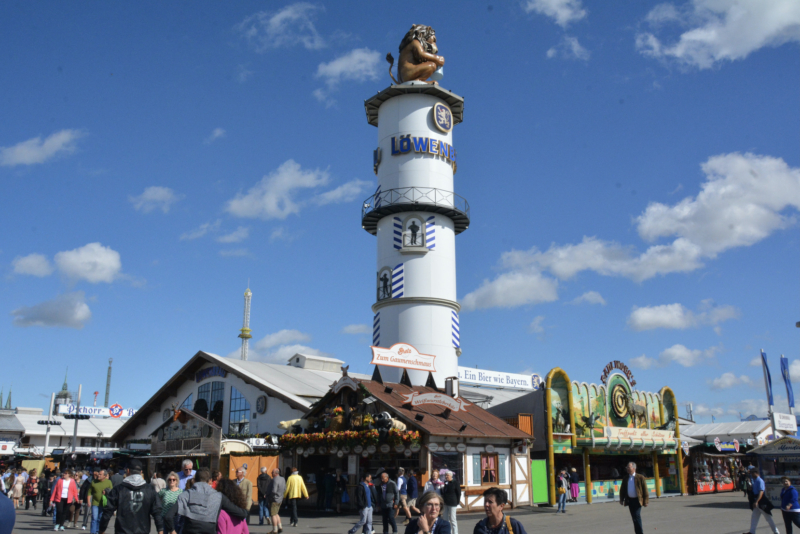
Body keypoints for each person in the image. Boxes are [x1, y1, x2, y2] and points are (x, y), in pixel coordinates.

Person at [167, 468, 247, 534]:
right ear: (210, 481)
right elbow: (242, 513)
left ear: (194, 480)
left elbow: (168, 516)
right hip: (209, 530)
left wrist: (172, 531)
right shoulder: (218, 496)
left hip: (189, 530)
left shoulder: (185, 495)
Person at [99, 459, 163, 534]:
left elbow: (107, 511)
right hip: (142, 531)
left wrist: (102, 530)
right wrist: (160, 530)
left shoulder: (118, 489)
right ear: (141, 472)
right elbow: (157, 512)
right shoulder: (150, 490)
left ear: (128, 471)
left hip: (122, 531)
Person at [746, 466, 780, 534]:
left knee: (768, 518)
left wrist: (756, 501)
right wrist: (750, 488)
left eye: (752, 473)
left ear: (756, 473)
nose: (751, 474)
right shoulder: (754, 481)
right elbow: (754, 490)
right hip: (756, 501)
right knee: (754, 517)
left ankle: (776, 532)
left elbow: (761, 492)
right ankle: (752, 532)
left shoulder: (760, 481)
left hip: (761, 501)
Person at [619, 462, 648, 534]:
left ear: (634, 468)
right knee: (634, 517)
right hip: (630, 500)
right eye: (627, 467)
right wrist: (621, 499)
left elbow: (645, 490)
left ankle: (640, 532)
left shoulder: (640, 477)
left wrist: (646, 501)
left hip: (638, 500)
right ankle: (637, 532)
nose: (627, 469)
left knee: (637, 516)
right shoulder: (626, 478)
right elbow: (622, 489)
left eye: (629, 467)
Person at [89, 470, 113, 534]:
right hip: (95, 503)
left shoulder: (108, 482)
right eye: (98, 474)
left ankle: (97, 531)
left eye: (100, 474)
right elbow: (89, 492)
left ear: (104, 476)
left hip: (103, 503)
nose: (98, 475)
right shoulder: (94, 482)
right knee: (94, 518)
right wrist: (88, 501)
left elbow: (112, 492)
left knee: (100, 518)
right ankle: (93, 532)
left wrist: (106, 492)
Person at [266, 468, 285, 534]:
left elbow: (274, 490)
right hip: (280, 498)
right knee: (276, 513)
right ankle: (280, 527)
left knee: (273, 514)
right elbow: (284, 488)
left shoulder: (274, 480)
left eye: (272, 472)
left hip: (274, 499)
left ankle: (275, 530)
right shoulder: (282, 479)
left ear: (276, 473)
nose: (271, 473)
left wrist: (270, 496)